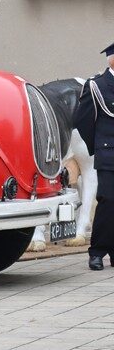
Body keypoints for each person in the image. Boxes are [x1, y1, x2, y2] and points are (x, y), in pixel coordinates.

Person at [74, 41, 114, 271]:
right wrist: (97, 147)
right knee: (108, 200)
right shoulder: (97, 85)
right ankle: (97, 251)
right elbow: (83, 121)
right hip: (108, 153)